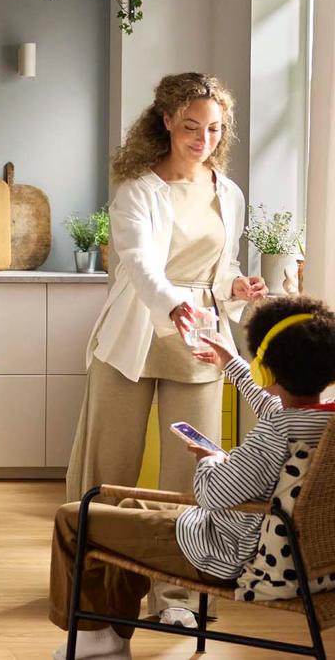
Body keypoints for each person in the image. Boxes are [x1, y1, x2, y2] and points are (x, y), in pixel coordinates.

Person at [65, 72, 267, 624]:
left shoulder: (227, 192)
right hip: (134, 340)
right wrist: (174, 305)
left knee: (193, 476)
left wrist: (236, 288)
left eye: (214, 129)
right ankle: (94, 593)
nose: (203, 139)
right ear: (167, 123)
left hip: (199, 342)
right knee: (110, 471)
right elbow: (141, 265)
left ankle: (175, 600)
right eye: (192, 127)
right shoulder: (137, 190)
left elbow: (219, 270)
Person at [49, 295, 335, 659]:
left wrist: (211, 458)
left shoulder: (274, 433)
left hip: (223, 555)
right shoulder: (320, 422)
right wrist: (231, 363)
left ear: (268, 368)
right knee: (129, 505)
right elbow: (274, 408)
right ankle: (113, 636)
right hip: (297, 560)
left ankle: (90, 637)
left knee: (74, 519)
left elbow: (211, 494)